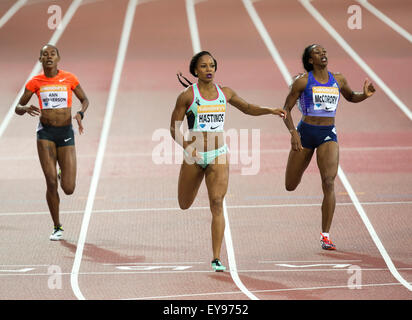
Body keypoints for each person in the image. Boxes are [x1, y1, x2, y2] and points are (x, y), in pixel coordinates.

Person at [170, 51, 286, 271]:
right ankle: (215, 254)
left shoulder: (225, 93)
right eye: (203, 66)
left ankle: (216, 258)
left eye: (212, 65)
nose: (209, 69)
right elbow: (173, 128)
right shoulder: (187, 96)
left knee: (216, 203)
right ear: (195, 70)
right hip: (194, 155)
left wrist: (269, 110)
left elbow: (248, 108)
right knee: (184, 204)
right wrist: (187, 148)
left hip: (218, 154)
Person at [282, 44, 375, 250]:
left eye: (324, 51)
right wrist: (293, 133)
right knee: (290, 184)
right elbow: (286, 109)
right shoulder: (303, 81)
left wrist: (364, 94)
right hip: (305, 133)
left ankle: (325, 235)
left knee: (329, 182)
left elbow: (351, 96)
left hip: (327, 134)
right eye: (317, 52)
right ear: (310, 60)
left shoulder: (338, 79)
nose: (323, 54)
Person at [15, 44, 89, 240]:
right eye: (44, 54)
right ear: (40, 59)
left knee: (69, 188)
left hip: (65, 133)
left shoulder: (69, 78)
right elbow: (18, 106)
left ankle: (60, 171)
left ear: (58, 58)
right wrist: (24, 108)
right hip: (45, 134)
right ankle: (57, 226)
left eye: (52, 54)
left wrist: (81, 113)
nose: (48, 57)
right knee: (50, 183)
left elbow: (85, 100)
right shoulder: (35, 82)